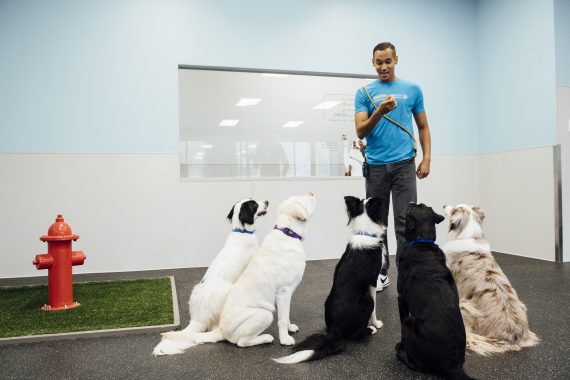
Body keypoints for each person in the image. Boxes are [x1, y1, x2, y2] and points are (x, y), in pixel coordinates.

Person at [354, 42, 432, 291]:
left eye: (388, 61)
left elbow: (422, 126)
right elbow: (361, 131)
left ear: (396, 59)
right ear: (373, 63)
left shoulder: (412, 89)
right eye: (379, 62)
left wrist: (427, 157)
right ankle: (381, 272)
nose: (383, 67)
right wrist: (379, 111)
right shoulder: (364, 92)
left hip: (404, 166)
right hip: (376, 167)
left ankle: (408, 273)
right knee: (377, 223)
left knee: (405, 222)